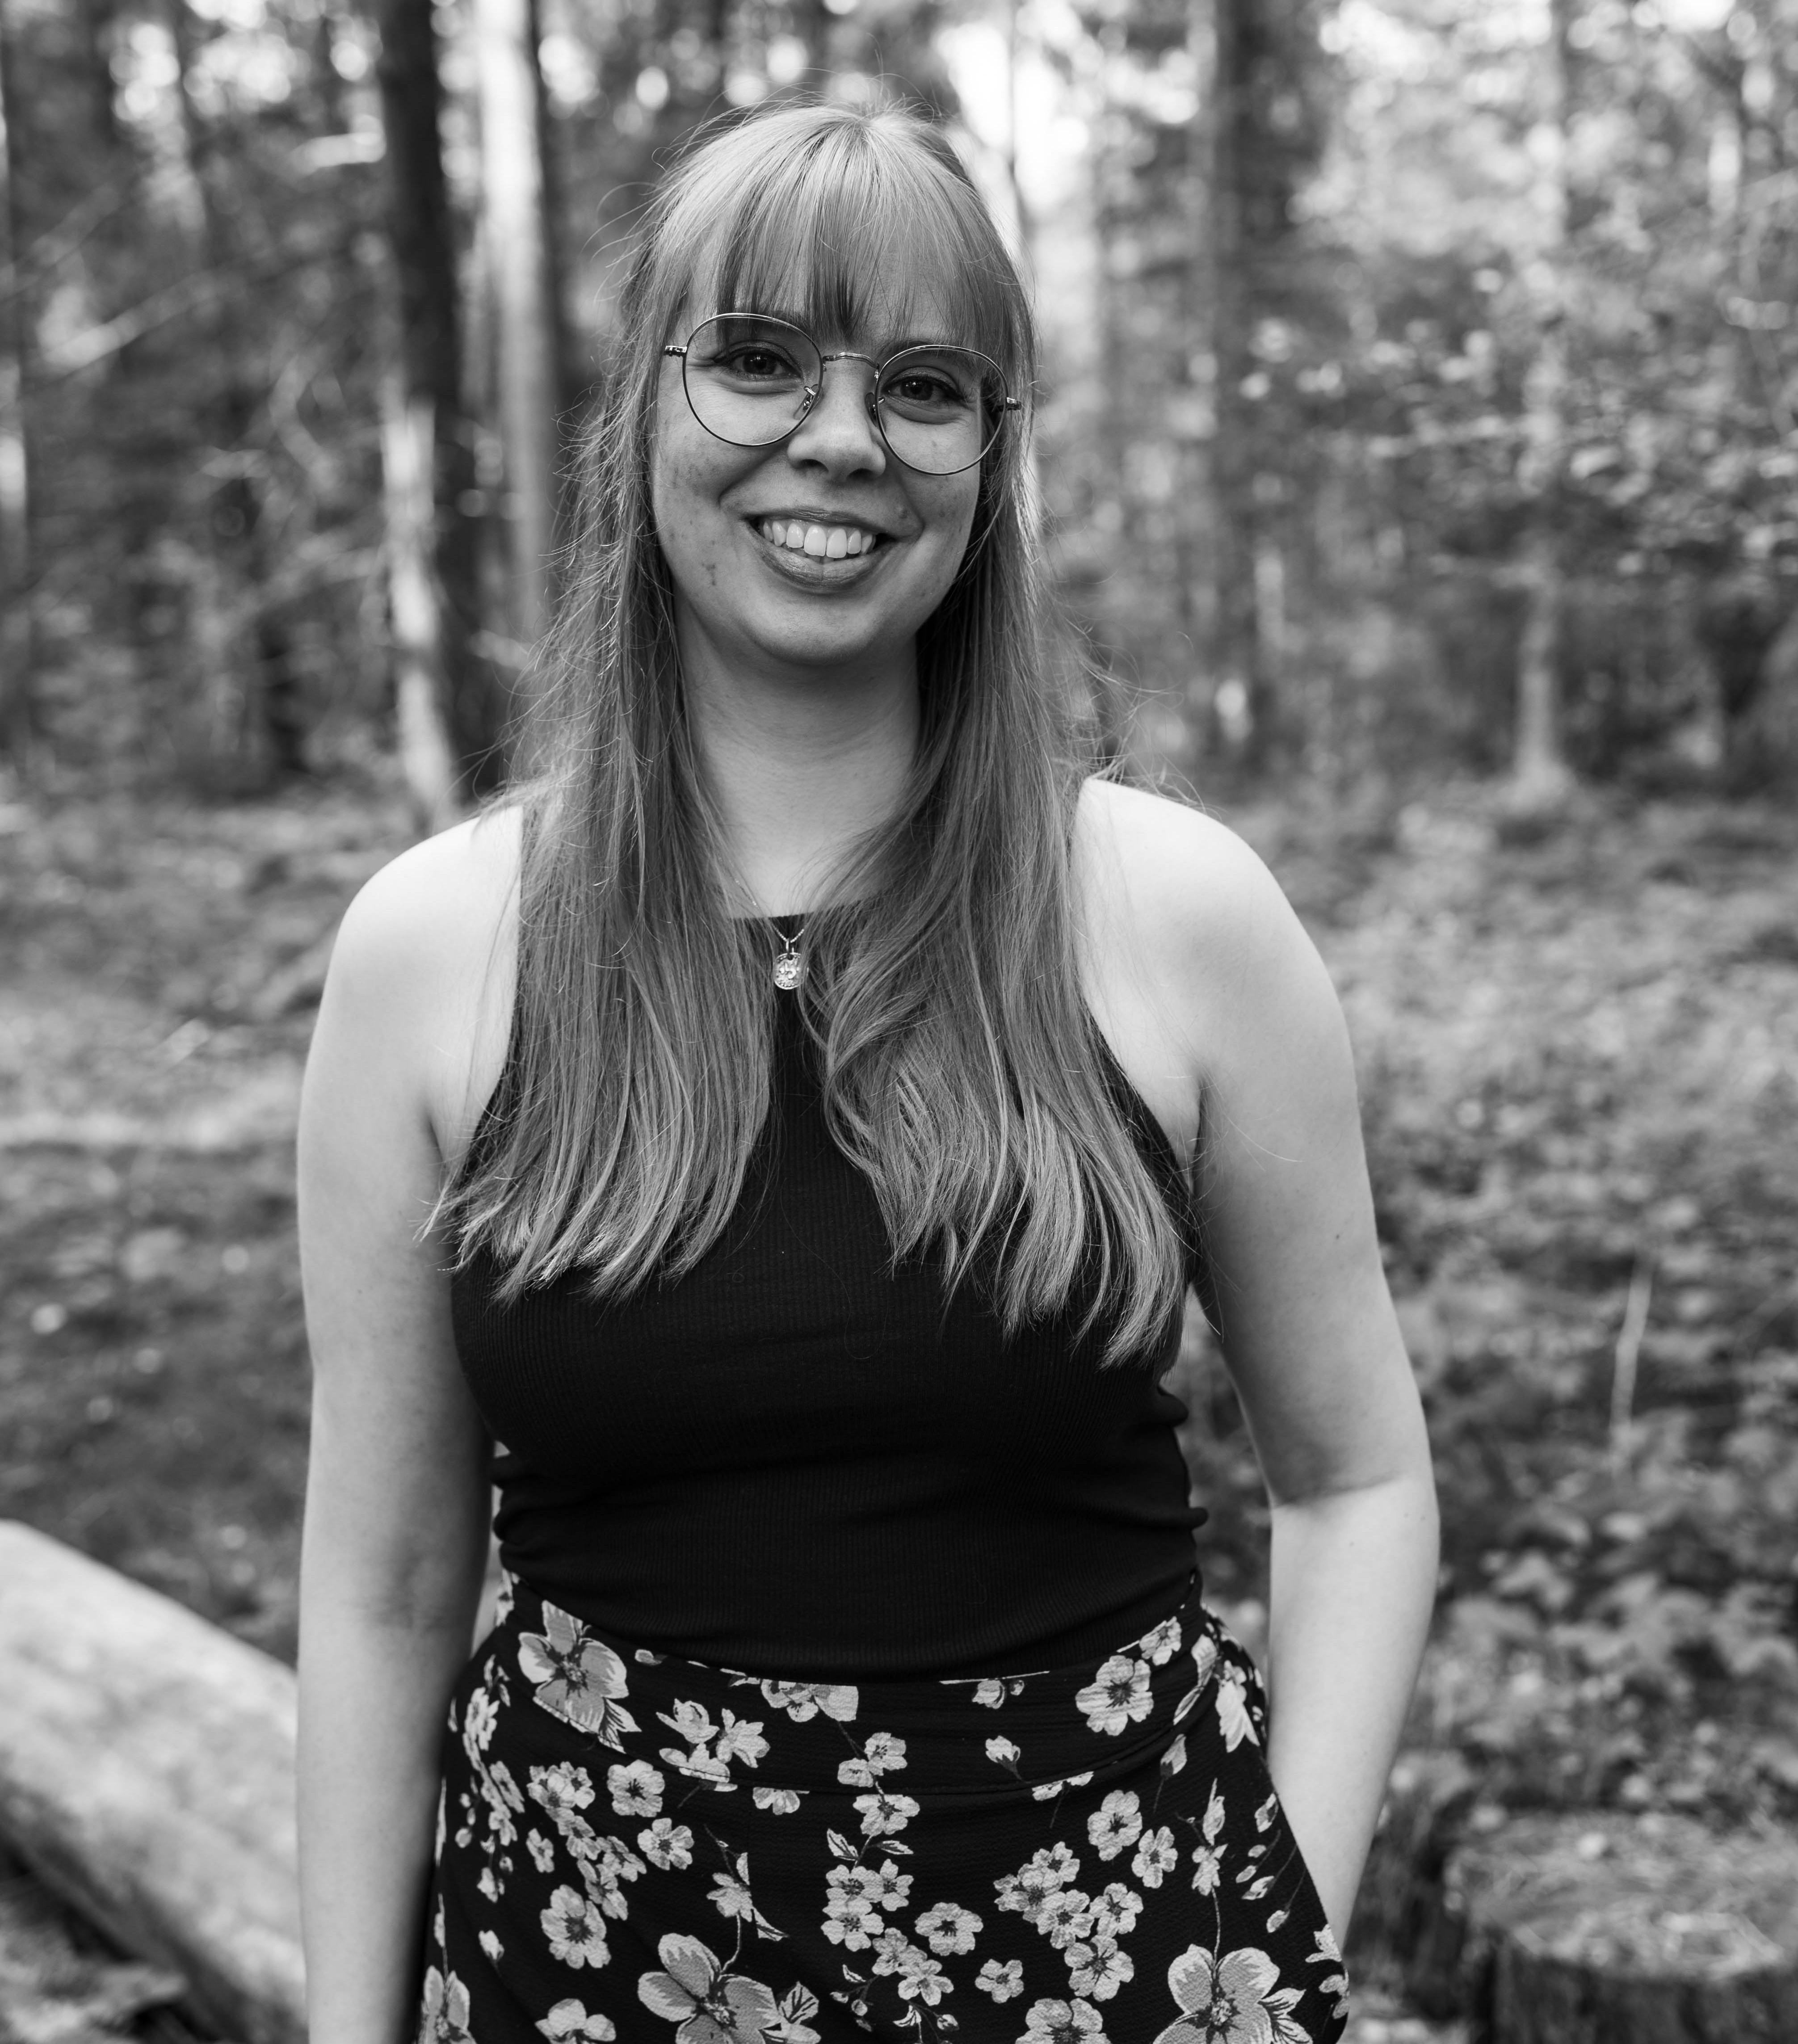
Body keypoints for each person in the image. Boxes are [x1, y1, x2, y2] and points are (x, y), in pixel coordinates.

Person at [296, 101, 1438, 2044]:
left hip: (1119, 1961)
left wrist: (1260, 1935)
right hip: (590, 1965)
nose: (838, 441)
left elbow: (1357, 1480)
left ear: (990, 463)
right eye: (756, 360)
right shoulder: (436, 946)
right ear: (642, 408)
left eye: (921, 385)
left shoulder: (1170, 910)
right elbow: (390, 1580)